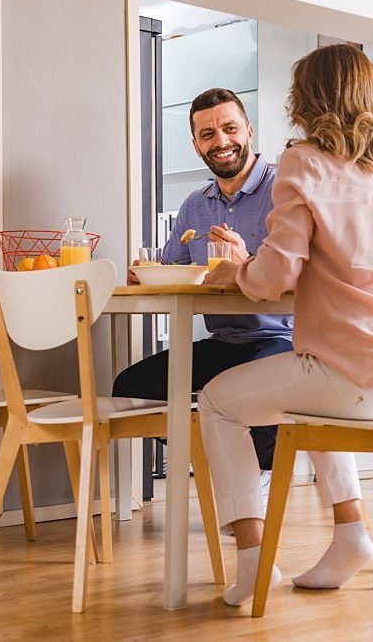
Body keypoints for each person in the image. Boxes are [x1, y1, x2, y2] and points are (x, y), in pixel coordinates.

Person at [197, 44, 373, 606]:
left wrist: (234, 270)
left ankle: (254, 559)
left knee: (216, 403)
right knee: (303, 393)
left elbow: (272, 275)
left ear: (305, 100)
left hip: (351, 375)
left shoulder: (305, 162)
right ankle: (351, 534)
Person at [113, 88, 293, 475]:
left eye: (230, 128)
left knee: (254, 395)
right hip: (225, 341)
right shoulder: (196, 205)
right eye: (208, 134)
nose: (221, 141)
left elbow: (302, 272)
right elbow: (169, 266)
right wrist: (145, 274)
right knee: (132, 388)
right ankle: (215, 455)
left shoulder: (285, 190)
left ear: (249, 131)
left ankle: (258, 474)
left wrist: (247, 262)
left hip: (283, 338)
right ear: (196, 146)